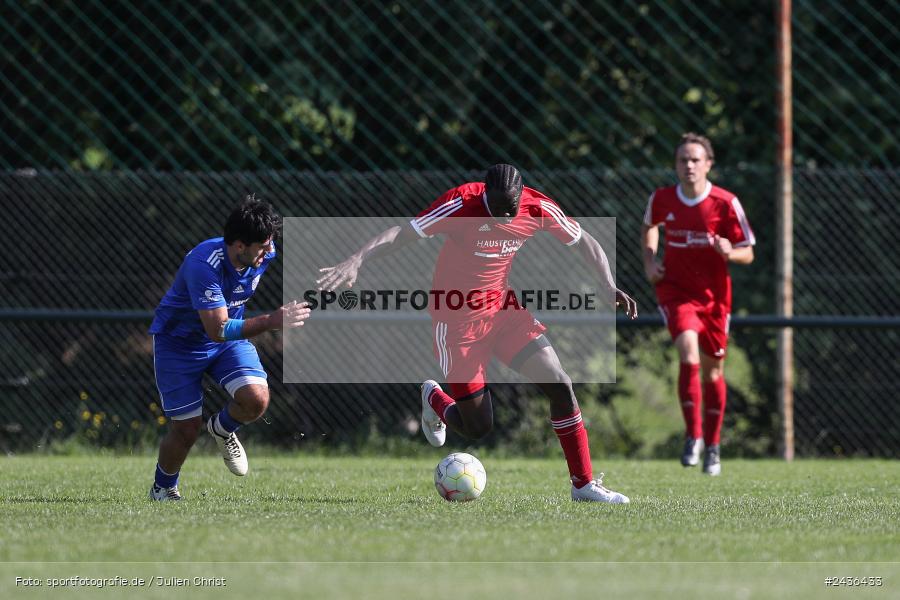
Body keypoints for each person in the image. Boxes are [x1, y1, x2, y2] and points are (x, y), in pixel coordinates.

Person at [318, 164, 638, 503]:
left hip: (504, 311)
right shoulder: (460, 204)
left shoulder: (536, 206)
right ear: (484, 194)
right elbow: (403, 233)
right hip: (456, 322)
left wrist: (607, 284)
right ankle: (434, 399)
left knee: (560, 383)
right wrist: (357, 260)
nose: (502, 218)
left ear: (520, 197)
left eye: (509, 211)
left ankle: (583, 485)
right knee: (478, 426)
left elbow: (584, 239)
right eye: (495, 210)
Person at [147, 196, 311, 501]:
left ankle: (222, 429)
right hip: (179, 345)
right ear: (238, 246)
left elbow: (224, 332)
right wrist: (273, 320)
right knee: (186, 430)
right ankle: (163, 487)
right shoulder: (203, 264)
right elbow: (219, 329)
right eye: (261, 247)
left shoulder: (266, 250)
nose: (268, 253)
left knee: (256, 399)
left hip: (226, 343)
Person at [641, 133, 755, 476]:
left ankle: (714, 446)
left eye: (695, 160)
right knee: (687, 352)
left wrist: (729, 252)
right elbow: (649, 226)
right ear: (675, 165)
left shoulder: (725, 202)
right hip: (675, 291)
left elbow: (748, 251)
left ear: (708, 164)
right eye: (682, 160)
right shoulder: (662, 198)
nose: (688, 166)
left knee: (713, 371)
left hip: (715, 299)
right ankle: (693, 436)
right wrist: (649, 262)